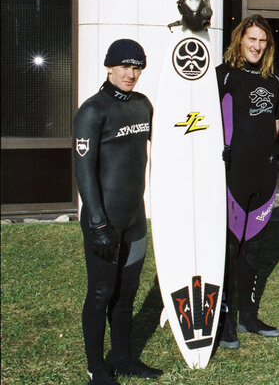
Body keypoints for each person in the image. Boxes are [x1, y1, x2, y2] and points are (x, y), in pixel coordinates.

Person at [73, 39, 162, 385]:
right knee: (100, 292)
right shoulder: (92, 111)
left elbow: (173, 140)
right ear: (109, 67)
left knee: (127, 293)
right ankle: (97, 368)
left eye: (137, 66)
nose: (131, 73)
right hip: (103, 220)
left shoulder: (143, 106)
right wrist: (97, 223)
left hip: (135, 220)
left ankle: (123, 359)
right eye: (124, 66)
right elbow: (83, 172)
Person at [216, 15, 279, 348]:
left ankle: (248, 316)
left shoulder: (275, 81)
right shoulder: (222, 76)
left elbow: (273, 124)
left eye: (263, 41)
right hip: (234, 175)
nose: (257, 46)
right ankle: (224, 319)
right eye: (251, 39)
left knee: (253, 248)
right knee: (231, 248)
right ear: (239, 40)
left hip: (264, 174)